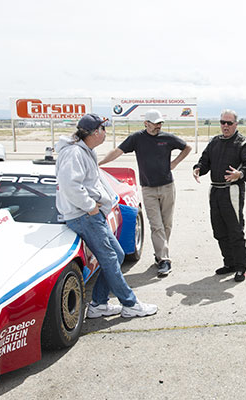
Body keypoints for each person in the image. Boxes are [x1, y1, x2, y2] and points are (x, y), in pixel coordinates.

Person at [55, 113, 157, 319]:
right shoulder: (74, 153)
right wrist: (90, 206)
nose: (105, 133)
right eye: (103, 129)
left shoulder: (86, 151)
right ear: (94, 132)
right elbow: (69, 185)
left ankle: (99, 304)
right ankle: (130, 303)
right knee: (110, 258)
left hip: (91, 215)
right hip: (85, 216)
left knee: (117, 255)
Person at [99, 109, 191, 277]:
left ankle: (160, 254)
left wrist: (175, 163)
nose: (158, 126)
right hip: (148, 189)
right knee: (156, 225)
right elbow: (117, 151)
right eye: (155, 123)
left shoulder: (167, 138)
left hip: (167, 187)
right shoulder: (136, 138)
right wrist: (99, 163)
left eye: (160, 123)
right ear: (146, 123)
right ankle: (164, 260)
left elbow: (187, 147)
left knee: (167, 224)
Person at [192, 109, 246, 282]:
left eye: (229, 123)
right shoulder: (215, 142)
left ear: (236, 124)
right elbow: (205, 161)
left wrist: (240, 174)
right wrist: (198, 168)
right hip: (215, 190)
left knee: (235, 230)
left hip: (232, 190)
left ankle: (241, 267)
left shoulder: (244, 143)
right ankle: (229, 263)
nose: (225, 126)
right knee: (219, 230)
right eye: (223, 122)